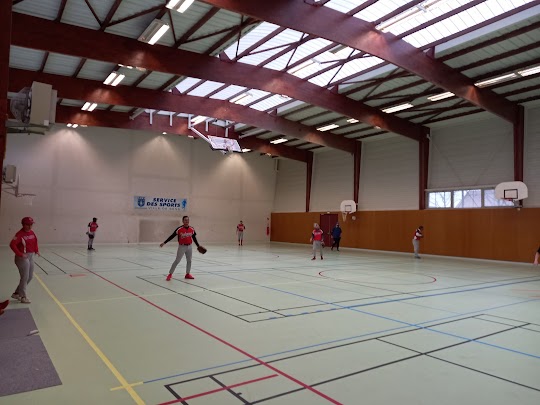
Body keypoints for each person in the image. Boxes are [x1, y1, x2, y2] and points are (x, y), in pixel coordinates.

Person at [160, 216, 203, 280]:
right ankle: (170, 274)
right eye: (185, 220)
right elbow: (172, 236)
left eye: (188, 220)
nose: (187, 221)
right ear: (183, 221)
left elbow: (194, 238)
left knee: (189, 260)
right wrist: (164, 242)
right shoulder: (179, 229)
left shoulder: (192, 229)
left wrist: (198, 246)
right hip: (182, 246)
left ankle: (187, 274)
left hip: (189, 246)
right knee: (177, 260)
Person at [10, 217, 40, 304]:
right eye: (27, 224)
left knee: (30, 277)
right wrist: (20, 254)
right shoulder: (19, 234)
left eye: (31, 224)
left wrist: (36, 250)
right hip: (22, 258)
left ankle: (16, 293)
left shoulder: (32, 232)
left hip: (30, 256)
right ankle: (23, 297)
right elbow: (12, 244)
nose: (30, 226)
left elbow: (35, 242)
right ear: (23, 224)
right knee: (25, 277)